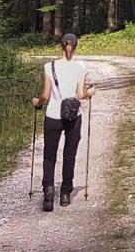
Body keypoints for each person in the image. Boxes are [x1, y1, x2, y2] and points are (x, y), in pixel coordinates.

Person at [30, 32, 94, 211]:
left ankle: (48, 192)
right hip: (73, 115)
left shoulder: (49, 67)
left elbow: (45, 95)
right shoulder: (81, 67)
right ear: (75, 47)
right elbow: (81, 95)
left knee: (49, 155)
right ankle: (65, 193)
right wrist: (91, 92)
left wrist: (37, 101)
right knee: (69, 153)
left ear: (61, 46)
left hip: (53, 115)